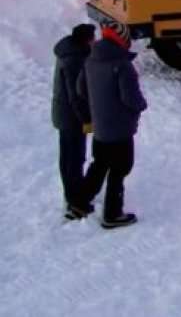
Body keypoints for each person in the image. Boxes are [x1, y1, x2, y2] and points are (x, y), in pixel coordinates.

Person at [73, 20, 147, 229]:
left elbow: (80, 89)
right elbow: (130, 98)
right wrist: (141, 105)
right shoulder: (122, 65)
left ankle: (79, 203)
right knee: (120, 169)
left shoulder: (91, 60)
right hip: (121, 128)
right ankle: (112, 214)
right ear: (122, 40)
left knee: (99, 165)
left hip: (101, 127)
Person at [52, 23, 96, 220]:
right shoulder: (75, 60)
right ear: (86, 40)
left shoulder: (68, 52)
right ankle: (75, 203)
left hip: (62, 114)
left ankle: (71, 197)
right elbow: (76, 95)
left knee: (68, 157)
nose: (95, 41)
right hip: (72, 118)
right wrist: (86, 118)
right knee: (74, 158)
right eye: (93, 38)